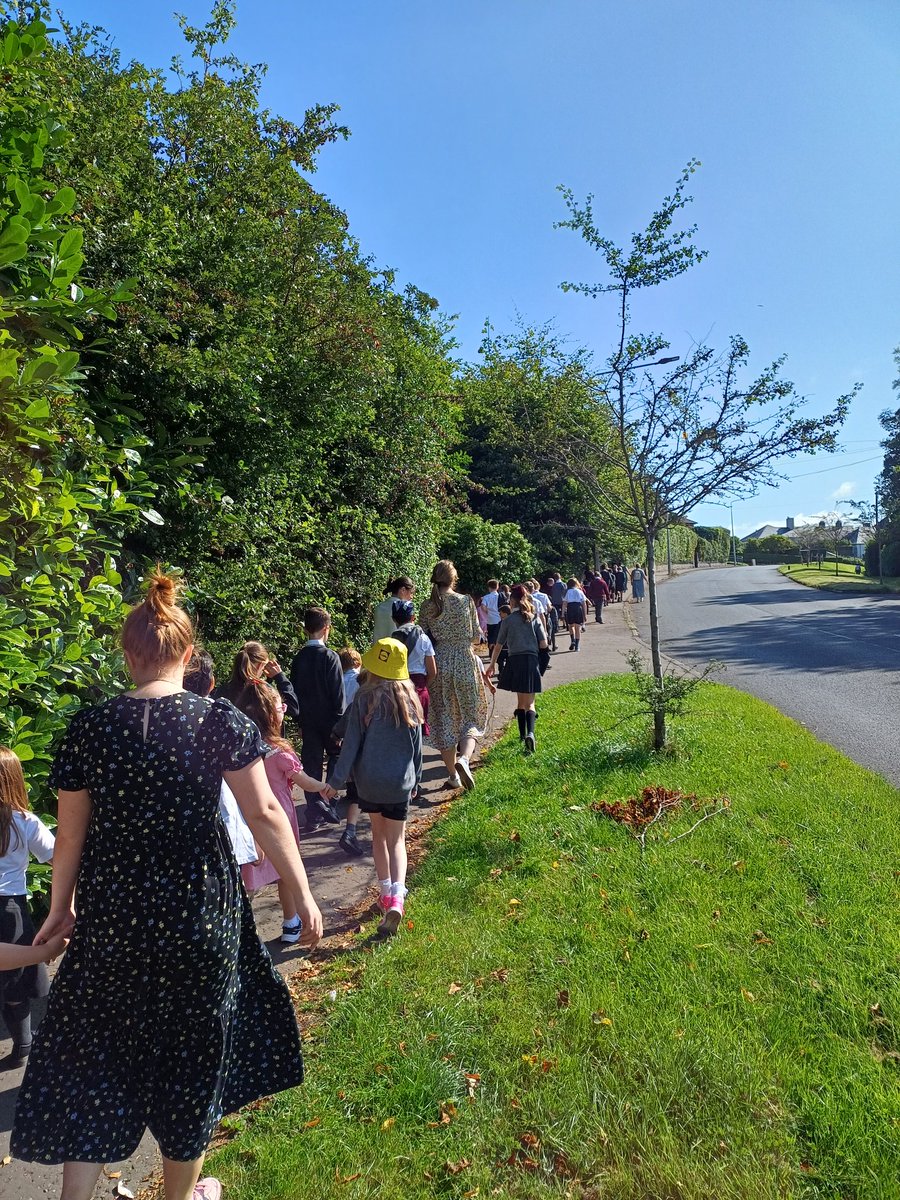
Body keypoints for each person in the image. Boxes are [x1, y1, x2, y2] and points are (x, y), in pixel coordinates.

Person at [11, 569, 323, 1200]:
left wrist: (60, 907)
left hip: (113, 921)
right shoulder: (218, 722)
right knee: (192, 1062)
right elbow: (266, 813)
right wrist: (304, 892)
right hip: (199, 918)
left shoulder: (89, 728)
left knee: (97, 1058)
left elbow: (68, 838)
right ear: (188, 654)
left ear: (127, 656)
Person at [329, 639, 423, 936]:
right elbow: (417, 748)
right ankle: (398, 897)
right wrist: (416, 779)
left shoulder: (364, 698)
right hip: (399, 782)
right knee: (397, 841)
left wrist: (335, 782)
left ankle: (384, 894)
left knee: (379, 838)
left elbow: (351, 744)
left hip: (369, 782)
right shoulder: (410, 700)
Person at [234, 680, 337, 943]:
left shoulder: (240, 748)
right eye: (282, 707)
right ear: (272, 715)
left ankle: (242, 932)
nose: (284, 710)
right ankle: (291, 923)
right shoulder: (279, 751)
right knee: (285, 870)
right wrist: (324, 787)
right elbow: (304, 781)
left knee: (249, 875)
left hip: (249, 815)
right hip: (280, 816)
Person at [0, 747, 55, 1067]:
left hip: (10, 908)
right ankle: (23, 1046)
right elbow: (59, 859)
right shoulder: (25, 821)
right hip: (11, 911)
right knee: (14, 984)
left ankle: (23, 1046)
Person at [183, 651, 260, 872]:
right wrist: (252, 837)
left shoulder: (164, 718)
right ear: (211, 683)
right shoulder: (221, 717)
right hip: (223, 832)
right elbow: (248, 799)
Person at [418, 560, 487, 792]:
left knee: (444, 719)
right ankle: (464, 759)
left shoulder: (428, 605)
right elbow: (476, 636)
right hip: (465, 660)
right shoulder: (466, 601)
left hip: (440, 662)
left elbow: (423, 637)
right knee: (471, 715)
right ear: (453, 578)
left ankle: (452, 775)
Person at [289, 608, 344, 830]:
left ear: (305, 629)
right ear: (326, 629)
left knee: (311, 764)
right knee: (336, 756)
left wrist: (299, 721)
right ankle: (327, 798)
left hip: (308, 720)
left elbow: (293, 693)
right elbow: (338, 694)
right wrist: (340, 724)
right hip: (330, 720)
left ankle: (313, 811)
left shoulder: (299, 658)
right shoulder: (330, 657)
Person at [488, 585, 548, 755]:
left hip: (515, 661)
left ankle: (522, 736)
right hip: (531, 660)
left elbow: (498, 645)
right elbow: (544, 644)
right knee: (530, 703)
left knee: (521, 702)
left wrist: (492, 664)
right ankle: (531, 733)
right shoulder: (533, 618)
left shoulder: (507, 621)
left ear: (512, 601)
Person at [218, 640, 299, 722]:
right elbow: (293, 708)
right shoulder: (263, 692)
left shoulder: (222, 691)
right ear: (260, 665)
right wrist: (280, 677)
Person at [388, 598, 436, 733]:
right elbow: (433, 671)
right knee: (418, 731)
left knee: (400, 730)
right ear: (413, 617)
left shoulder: (391, 640)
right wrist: (424, 685)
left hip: (398, 688)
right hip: (419, 687)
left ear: (393, 619)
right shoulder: (423, 638)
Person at [334, 649, 365, 857]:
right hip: (359, 734)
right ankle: (350, 831)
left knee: (353, 786)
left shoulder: (339, 680)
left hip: (344, 730)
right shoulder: (360, 684)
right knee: (362, 793)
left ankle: (350, 830)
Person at [371, 577, 415, 643]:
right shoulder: (404, 609)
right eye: (411, 593)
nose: (411, 597)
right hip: (396, 648)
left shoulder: (379, 607)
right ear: (403, 590)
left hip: (378, 648)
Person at [562, 576, 587, 651]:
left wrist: (562, 613)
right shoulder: (580, 591)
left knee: (571, 625)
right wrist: (585, 614)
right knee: (577, 627)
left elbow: (564, 603)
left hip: (570, 608)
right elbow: (584, 603)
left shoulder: (568, 592)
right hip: (578, 608)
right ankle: (577, 646)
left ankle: (572, 640)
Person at [482, 579, 502, 649]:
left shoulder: (486, 597)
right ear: (497, 587)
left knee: (490, 637)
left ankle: (491, 651)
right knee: (498, 638)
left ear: (489, 587)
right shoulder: (500, 596)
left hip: (490, 620)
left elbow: (483, 606)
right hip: (499, 619)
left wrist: (488, 611)